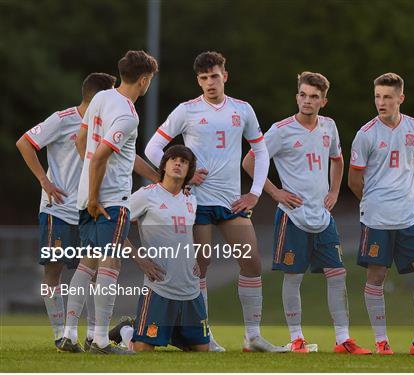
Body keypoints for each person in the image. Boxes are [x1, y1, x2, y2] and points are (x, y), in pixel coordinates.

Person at [145, 51, 286, 353]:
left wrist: (256, 192)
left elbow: (261, 153)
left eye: (214, 76)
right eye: (204, 78)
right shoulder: (187, 110)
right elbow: (154, 147)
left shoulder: (243, 110)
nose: (210, 82)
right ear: (198, 80)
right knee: (200, 266)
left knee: (252, 263)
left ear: (225, 76)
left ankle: (253, 337)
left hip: (232, 202)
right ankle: (205, 335)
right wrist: (183, 179)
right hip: (196, 203)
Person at [242, 72, 371, 354]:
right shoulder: (281, 129)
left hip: (322, 216)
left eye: (314, 96)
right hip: (293, 216)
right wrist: (275, 193)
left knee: (337, 273)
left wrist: (335, 191)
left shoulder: (329, 126)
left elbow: (337, 159)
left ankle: (343, 340)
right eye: (303, 94)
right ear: (297, 96)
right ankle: (297, 338)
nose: (307, 100)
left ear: (323, 101)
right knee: (294, 276)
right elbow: (250, 161)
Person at [59, 50, 159, 354]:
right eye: (150, 80)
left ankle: (67, 334)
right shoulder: (128, 115)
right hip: (108, 200)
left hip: (87, 197)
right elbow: (102, 155)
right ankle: (101, 340)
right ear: (144, 80)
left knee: (86, 263)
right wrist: (95, 196)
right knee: (110, 263)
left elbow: (81, 141)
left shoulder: (102, 96)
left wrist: (89, 186)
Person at [348, 73, 414, 356]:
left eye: (387, 97)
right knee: (377, 276)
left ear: (400, 99)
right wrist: (373, 201)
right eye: (377, 97)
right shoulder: (365, 134)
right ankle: (382, 342)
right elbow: (354, 180)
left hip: (409, 216)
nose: (381, 102)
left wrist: (404, 193)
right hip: (377, 218)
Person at [15, 73, 116, 349]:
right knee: (54, 271)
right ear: (98, 97)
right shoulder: (62, 119)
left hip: (87, 208)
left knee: (93, 272)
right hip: (58, 210)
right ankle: (61, 335)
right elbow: (24, 142)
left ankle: (94, 335)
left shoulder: (104, 125)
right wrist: (43, 180)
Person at [108, 145, 210, 352]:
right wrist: (140, 260)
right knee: (142, 350)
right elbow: (113, 226)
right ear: (164, 165)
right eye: (173, 159)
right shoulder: (146, 195)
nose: (178, 163)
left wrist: (198, 260)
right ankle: (126, 329)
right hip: (159, 286)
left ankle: (167, 332)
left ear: (189, 170)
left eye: (184, 161)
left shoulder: (191, 199)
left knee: (201, 351)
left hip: (190, 287)